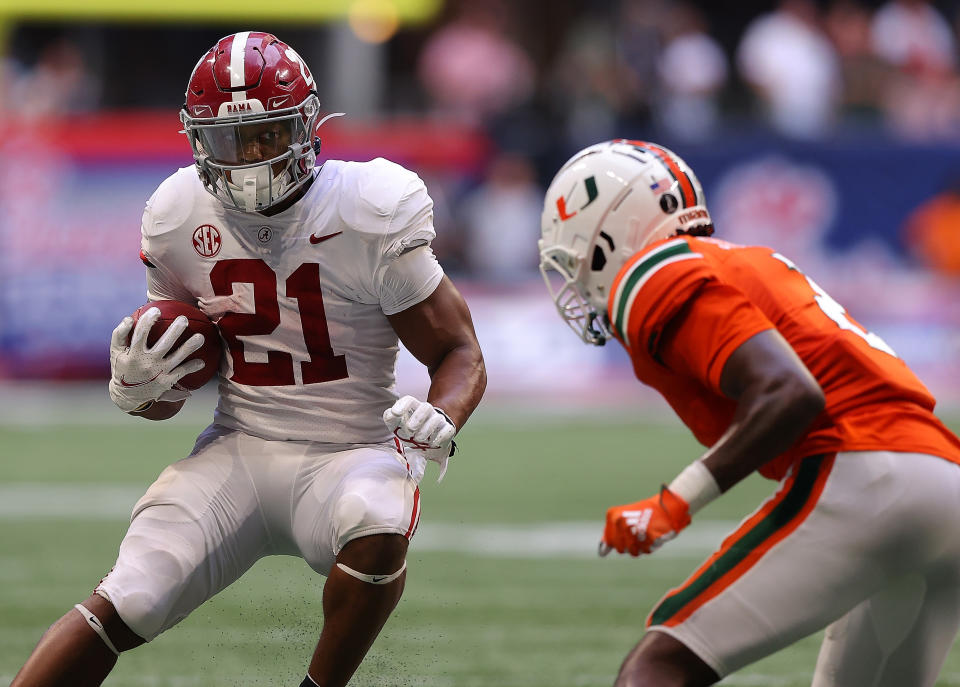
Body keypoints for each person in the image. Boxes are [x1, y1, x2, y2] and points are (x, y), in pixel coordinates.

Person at [12, 31, 486, 687]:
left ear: (308, 125)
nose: (251, 159)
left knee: (380, 516)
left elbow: (457, 348)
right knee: (131, 597)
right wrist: (140, 388)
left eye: (266, 135)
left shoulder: (368, 207)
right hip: (239, 446)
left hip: (349, 450)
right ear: (198, 140)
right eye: (233, 141)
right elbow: (174, 381)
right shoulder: (178, 214)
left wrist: (444, 411)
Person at [538, 139, 960, 686]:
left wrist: (675, 502)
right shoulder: (738, 261)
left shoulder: (658, 276)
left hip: (870, 473)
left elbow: (790, 392)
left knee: (660, 665)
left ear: (609, 234)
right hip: (945, 486)